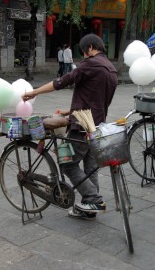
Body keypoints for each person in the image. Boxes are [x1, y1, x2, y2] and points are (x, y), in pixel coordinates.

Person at [22, 34, 118, 220]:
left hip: (82, 126)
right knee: (91, 169)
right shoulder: (111, 69)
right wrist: (68, 111)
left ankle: (93, 199)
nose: (83, 57)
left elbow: (61, 82)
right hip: (97, 126)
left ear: (89, 47)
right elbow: (96, 100)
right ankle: (89, 208)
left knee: (68, 164)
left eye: (83, 52)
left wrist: (34, 92)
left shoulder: (90, 64)